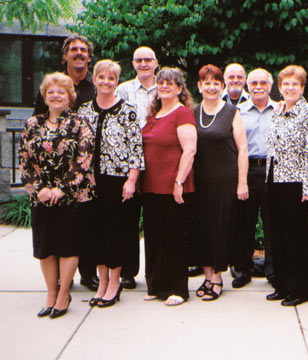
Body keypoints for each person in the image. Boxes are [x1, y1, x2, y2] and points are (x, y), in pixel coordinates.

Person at [19, 72, 94, 318]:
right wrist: (39, 189)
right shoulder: (33, 124)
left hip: (71, 195)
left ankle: (63, 295)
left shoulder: (79, 122)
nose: (56, 96)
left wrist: (61, 188)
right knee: (45, 248)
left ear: (69, 96)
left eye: (61, 92)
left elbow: (83, 159)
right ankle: (51, 294)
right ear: (44, 96)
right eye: (51, 92)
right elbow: (25, 161)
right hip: (41, 197)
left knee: (67, 246)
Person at [33, 34, 98, 292]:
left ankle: (89, 273)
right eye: (74, 50)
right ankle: (61, 278)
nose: (79, 53)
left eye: (83, 50)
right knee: (59, 224)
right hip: (54, 171)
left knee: (88, 222)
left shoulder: (95, 87)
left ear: (89, 57)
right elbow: (38, 127)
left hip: (87, 166)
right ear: (65, 56)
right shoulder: (53, 85)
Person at [78, 60, 144, 308]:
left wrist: (131, 180)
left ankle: (114, 284)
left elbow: (136, 149)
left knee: (116, 232)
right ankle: (102, 282)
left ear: (117, 82)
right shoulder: (84, 111)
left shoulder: (127, 110)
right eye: (102, 77)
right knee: (96, 233)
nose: (106, 82)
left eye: (111, 78)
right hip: (91, 182)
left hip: (118, 181)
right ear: (94, 79)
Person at [265, 65, 308, 307]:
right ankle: (282, 285)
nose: (290, 88)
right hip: (274, 180)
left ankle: (300, 290)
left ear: (302, 87)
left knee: (295, 239)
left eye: (295, 84)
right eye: (285, 84)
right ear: (279, 87)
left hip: (296, 184)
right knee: (277, 236)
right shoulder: (277, 110)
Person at [141, 67, 196, 306]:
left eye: (170, 83)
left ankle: (178, 289)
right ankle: (157, 285)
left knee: (173, 238)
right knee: (154, 237)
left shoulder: (182, 113)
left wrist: (179, 182)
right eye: (161, 82)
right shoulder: (155, 114)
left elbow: (190, 150)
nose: (164, 86)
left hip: (173, 186)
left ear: (179, 89)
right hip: (151, 186)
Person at [193, 64, 249, 301]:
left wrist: (242, 182)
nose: (212, 87)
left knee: (220, 228)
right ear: (199, 86)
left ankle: (217, 277)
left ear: (222, 86)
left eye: (216, 83)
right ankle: (206, 275)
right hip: (199, 181)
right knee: (203, 228)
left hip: (226, 180)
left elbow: (243, 149)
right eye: (207, 83)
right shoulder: (192, 112)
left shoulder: (231, 112)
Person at [115, 46, 158, 289]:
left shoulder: (164, 88)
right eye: (139, 60)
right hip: (128, 163)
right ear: (133, 63)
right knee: (128, 220)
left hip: (155, 162)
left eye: (147, 60)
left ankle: (155, 271)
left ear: (155, 63)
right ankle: (128, 272)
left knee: (154, 220)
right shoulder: (123, 89)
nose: (143, 64)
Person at [231, 68, 276, 289]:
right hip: (246, 170)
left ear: (270, 85)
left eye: (263, 83)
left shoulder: (280, 110)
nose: (258, 87)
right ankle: (242, 270)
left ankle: (273, 271)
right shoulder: (237, 111)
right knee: (243, 222)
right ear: (248, 86)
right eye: (254, 83)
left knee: (272, 222)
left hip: (273, 170)